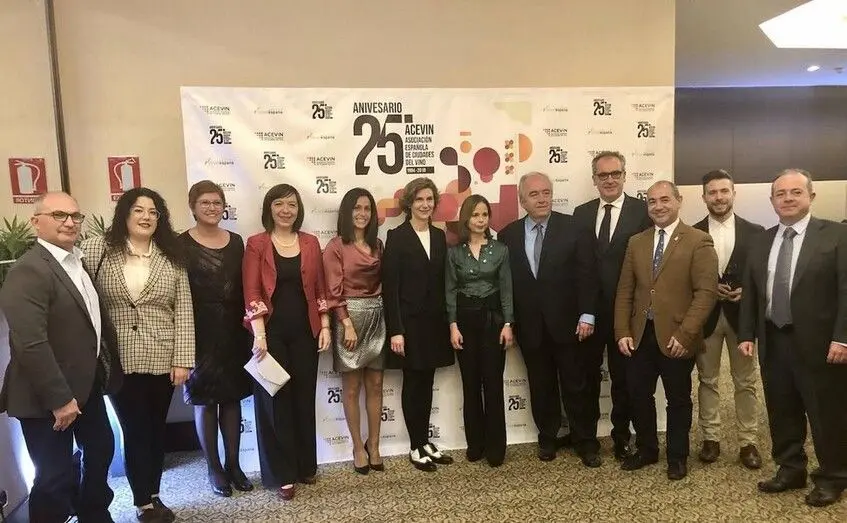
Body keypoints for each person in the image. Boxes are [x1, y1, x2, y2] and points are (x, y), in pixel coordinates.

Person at [0, 192, 123, 523]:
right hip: (46, 394)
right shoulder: (29, 270)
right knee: (53, 478)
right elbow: (30, 343)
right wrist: (60, 400)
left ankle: (94, 514)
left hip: (85, 386)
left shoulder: (76, 263)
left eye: (75, 216)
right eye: (59, 215)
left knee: (100, 450)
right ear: (36, 222)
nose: (70, 222)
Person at [82, 187, 194, 522]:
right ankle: (143, 501)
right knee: (134, 428)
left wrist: (182, 359)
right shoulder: (98, 248)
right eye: (138, 210)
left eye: (153, 212)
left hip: (162, 355)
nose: (146, 217)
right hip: (118, 359)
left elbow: (184, 309)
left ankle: (154, 494)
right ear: (125, 214)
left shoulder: (171, 254)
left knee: (156, 428)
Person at [738, 169, 847, 508]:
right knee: (781, 408)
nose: (787, 198)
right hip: (774, 339)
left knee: (826, 412)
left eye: (795, 192)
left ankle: (833, 477)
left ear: (811, 196)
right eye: (780, 193)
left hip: (821, 343)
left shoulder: (837, 236)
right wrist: (746, 333)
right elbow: (752, 293)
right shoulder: (761, 240)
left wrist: (843, 338)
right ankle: (790, 469)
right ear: (772, 200)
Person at [614, 180, 718, 481]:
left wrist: (686, 334)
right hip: (639, 335)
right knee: (638, 395)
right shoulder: (636, 242)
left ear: (678, 201)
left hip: (677, 337)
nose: (658, 206)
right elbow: (625, 291)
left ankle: (677, 456)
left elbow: (706, 293)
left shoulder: (699, 240)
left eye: (664, 200)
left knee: (678, 399)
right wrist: (622, 330)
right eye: (652, 201)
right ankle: (647, 449)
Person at [499, 172, 599, 466]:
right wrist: (509, 322)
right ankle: (548, 436)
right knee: (540, 386)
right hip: (531, 327)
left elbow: (587, 274)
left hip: (570, 324)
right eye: (534, 194)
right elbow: (508, 285)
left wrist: (588, 314)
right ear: (522, 200)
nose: (542, 199)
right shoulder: (508, 235)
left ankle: (585, 441)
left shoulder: (575, 228)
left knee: (576, 385)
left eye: (546, 192)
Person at [242, 183, 331, 501]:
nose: (285, 210)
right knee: (276, 403)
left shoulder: (310, 242)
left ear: (298, 209)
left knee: (303, 400)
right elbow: (252, 291)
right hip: (271, 336)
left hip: (306, 333)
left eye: (291, 204)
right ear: (269, 208)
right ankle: (283, 474)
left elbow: (320, 288)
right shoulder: (257, 244)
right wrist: (260, 335)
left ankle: (306, 465)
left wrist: (324, 325)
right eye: (279, 203)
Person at [572, 151, 651, 462]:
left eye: (615, 173)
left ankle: (621, 438)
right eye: (602, 175)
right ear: (594, 179)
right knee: (586, 380)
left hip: (626, 315)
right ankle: (587, 441)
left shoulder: (642, 212)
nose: (609, 180)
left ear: (624, 176)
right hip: (588, 315)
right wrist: (584, 310)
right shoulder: (580, 214)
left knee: (624, 380)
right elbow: (580, 268)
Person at [179, 180, 253, 497]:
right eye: (205, 202)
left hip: (234, 330)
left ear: (224, 207)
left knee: (232, 398)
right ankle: (214, 467)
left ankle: (234, 464)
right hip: (198, 331)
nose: (212, 208)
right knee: (205, 401)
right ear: (193, 207)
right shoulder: (179, 243)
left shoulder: (236, 242)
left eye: (217, 202)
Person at [692, 170, 764, 469]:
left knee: (745, 381)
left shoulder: (756, 232)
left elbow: (762, 275)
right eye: (712, 192)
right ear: (704, 197)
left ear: (734, 193)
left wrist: (748, 290)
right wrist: (708, 288)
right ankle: (711, 438)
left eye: (724, 191)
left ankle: (748, 442)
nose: (718, 197)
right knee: (707, 380)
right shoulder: (692, 233)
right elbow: (685, 278)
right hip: (706, 318)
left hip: (742, 319)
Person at [383, 177, 455, 472]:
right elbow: (391, 288)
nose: (425, 205)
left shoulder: (438, 236)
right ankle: (415, 446)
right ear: (409, 203)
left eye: (429, 199)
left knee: (427, 383)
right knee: (413, 384)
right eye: (419, 199)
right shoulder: (397, 236)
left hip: (434, 324)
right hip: (409, 326)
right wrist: (396, 330)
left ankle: (425, 441)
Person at [445, 194, 514, 467]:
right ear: (466, 219)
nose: (480, 220)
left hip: (493, 322)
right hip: (464, 322)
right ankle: (476, 444)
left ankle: (496, 448)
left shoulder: (501, 250)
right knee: (470, 384)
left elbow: (506, 289)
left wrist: (508, 324)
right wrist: (453, 326)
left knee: (493, 385)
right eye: (475, 215)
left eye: (484, 214)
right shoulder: (454, 253)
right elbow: (450, 290)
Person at [322, 188, 387, 475]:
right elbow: (332, 291)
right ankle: (357, 447)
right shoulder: (335, 246)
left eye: (367, 208)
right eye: (357, 208)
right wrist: (346, 323)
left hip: (377, 317)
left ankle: (375, 445)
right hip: (348, 320)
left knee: (376, 384)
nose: (362, 213)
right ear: (347, 212)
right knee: (351, 388)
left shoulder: (379, 245)